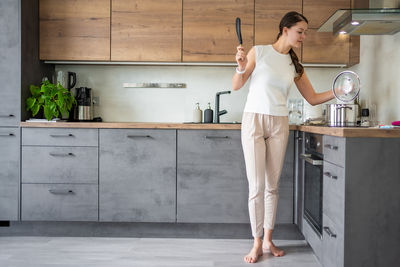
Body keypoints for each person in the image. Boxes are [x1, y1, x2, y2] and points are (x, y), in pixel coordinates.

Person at [232, 11, 335, 264]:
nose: (303, 37)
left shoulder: (295, 65)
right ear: (285, 29)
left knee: (272, 186)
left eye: (305, 33)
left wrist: (339, 90)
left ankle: (268, 239)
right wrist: (240, 65)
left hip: (279, 123)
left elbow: (312, 98)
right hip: (254, 120)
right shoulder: (260, 51)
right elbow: (237, 85)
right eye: (301, 31)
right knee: (256, 186)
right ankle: (256, 242)